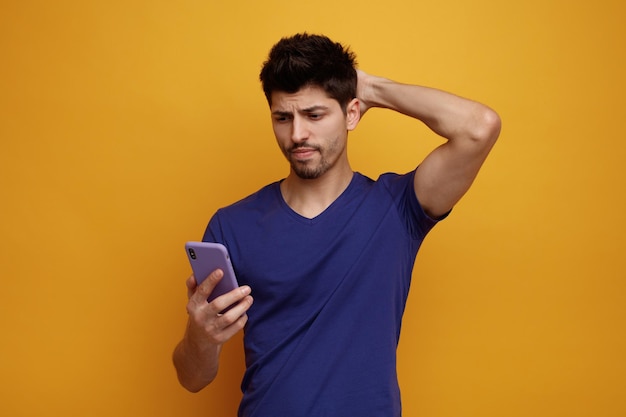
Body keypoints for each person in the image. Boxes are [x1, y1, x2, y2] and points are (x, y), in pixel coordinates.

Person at [173, 33, 500, 417]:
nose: (297, 135)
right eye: (283, 117)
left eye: (314, 115)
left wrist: (373, 87)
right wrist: (200, 337)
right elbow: (192, 378)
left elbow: (479, 126)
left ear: (352, 113)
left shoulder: (398, 207)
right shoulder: (232, 225)